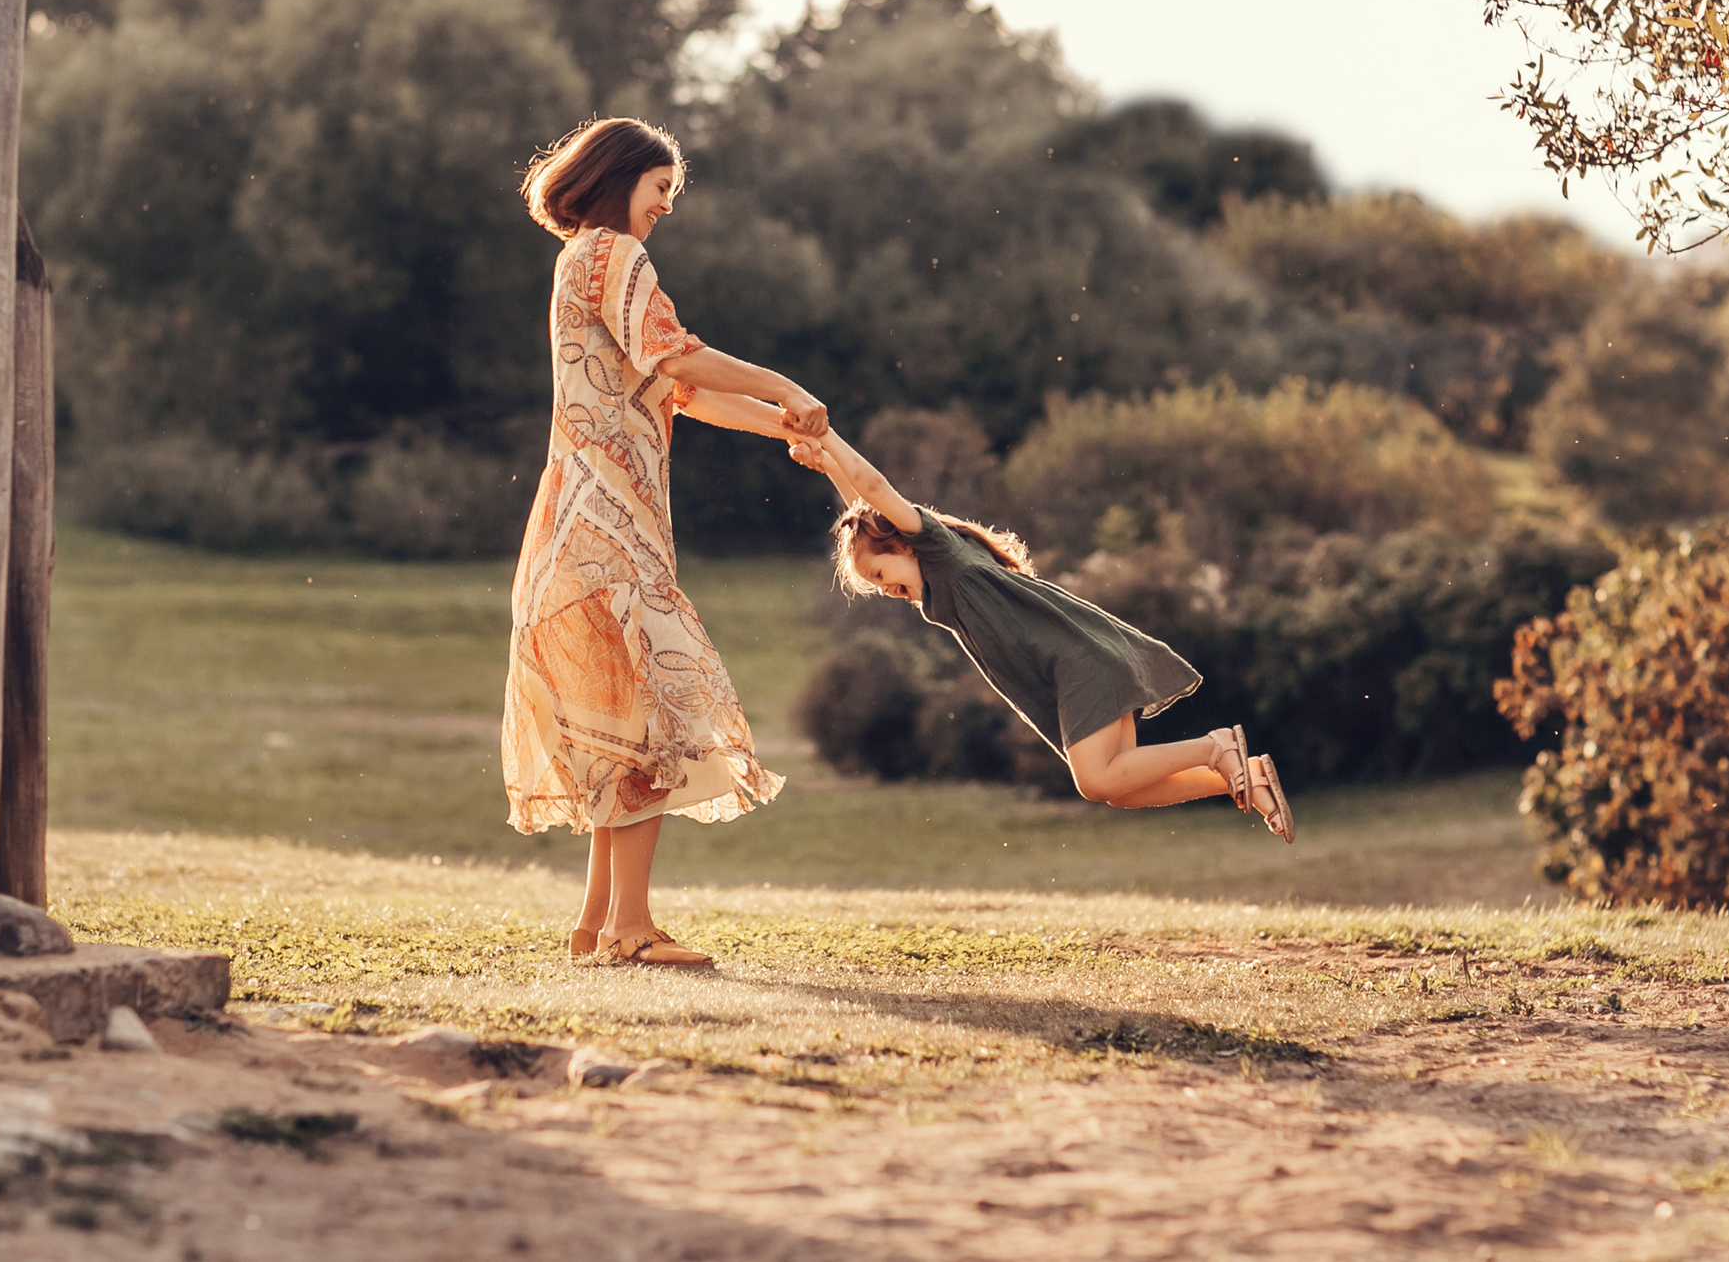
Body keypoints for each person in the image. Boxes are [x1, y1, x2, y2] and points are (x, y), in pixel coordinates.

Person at [503, 117, 829, 967]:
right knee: (652, 722)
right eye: (661, 189)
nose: (666, 207)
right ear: (621, 179)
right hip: (609, 530)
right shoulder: (615, 254)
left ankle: (596, 925)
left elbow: (679, 389)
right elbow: (678, 356)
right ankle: (631, 927)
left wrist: (787, 427)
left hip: (577, 526)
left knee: (625, 724)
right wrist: (786, 385)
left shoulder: (579, 260)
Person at [786, 428, 1295, 839]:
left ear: (904, 545)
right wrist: (827, 467)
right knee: (1119, 789)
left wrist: (826, 436)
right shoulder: (936, 574)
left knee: (1096, 780)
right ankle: (1241, 777)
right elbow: (867, 514)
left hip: (1078, 661)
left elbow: (875, 493)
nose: (886, 590)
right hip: (1076, 664)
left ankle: (1213, 747)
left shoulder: (938, 550)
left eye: (881, 575)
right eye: (876, 587)